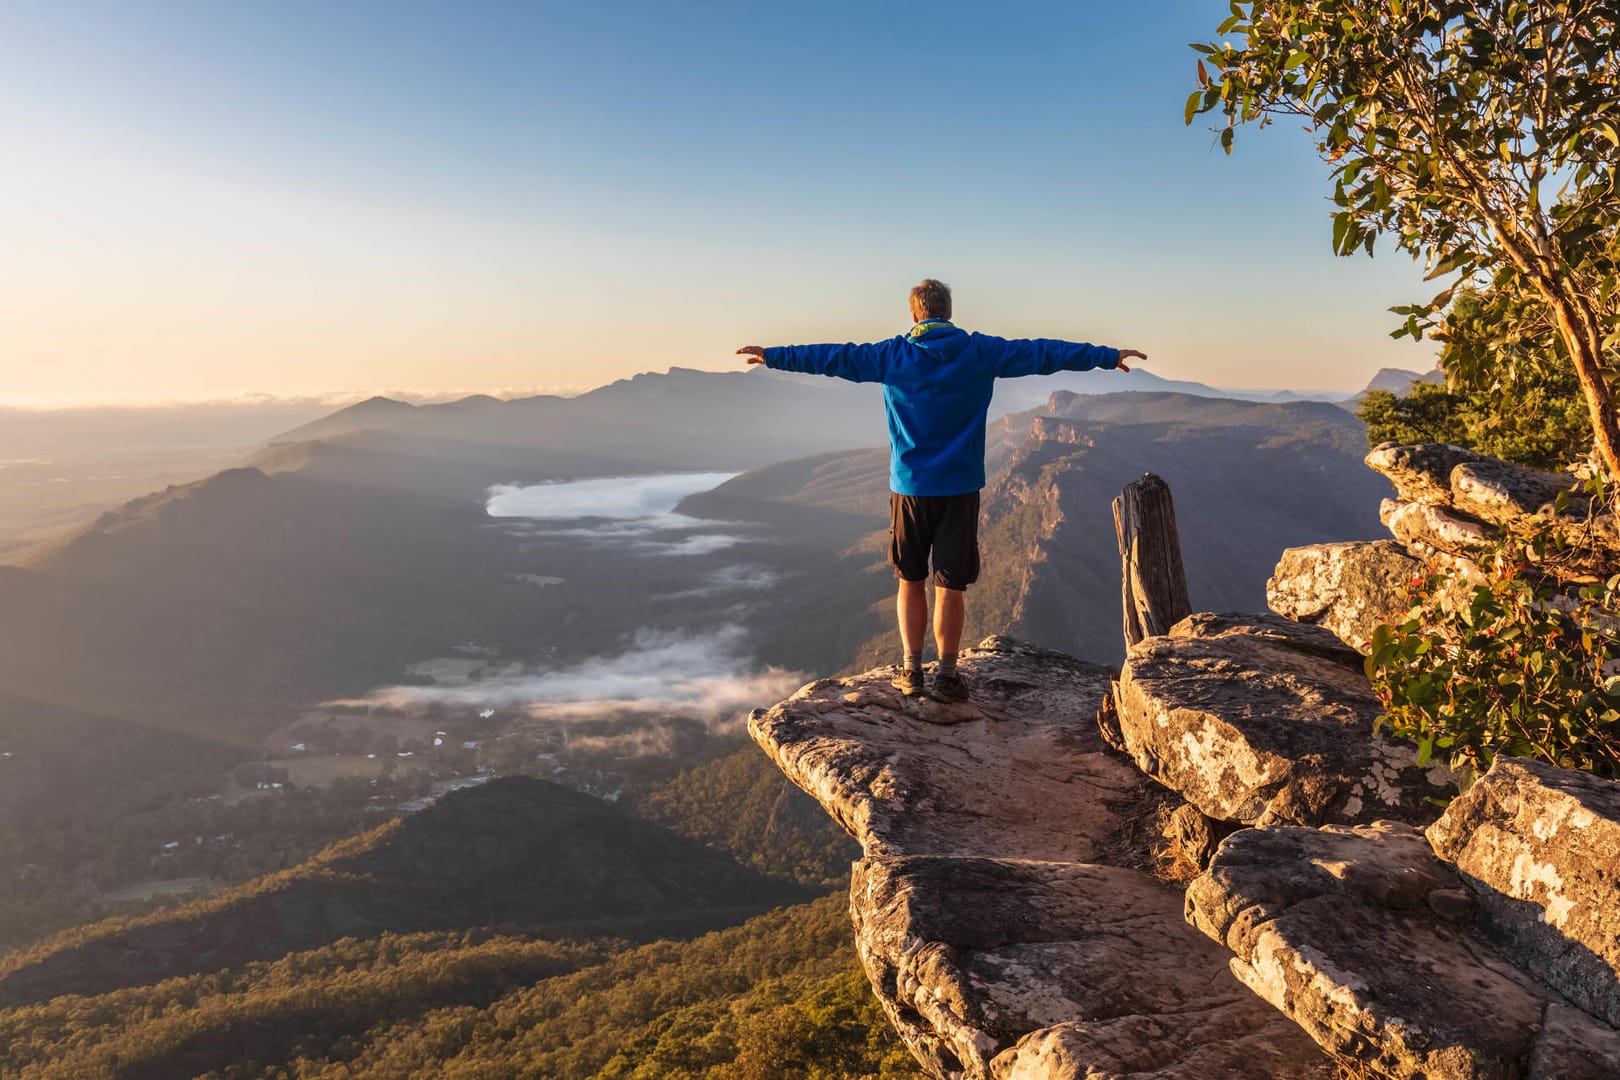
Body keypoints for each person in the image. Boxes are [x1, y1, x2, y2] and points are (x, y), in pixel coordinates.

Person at [738, 278, 1143, 704]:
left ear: (915, 315)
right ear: (948, 312)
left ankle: (912, 673)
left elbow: (834, 358)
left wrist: (773, 357)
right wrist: (1107, 356)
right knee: (951, 585)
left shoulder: (892, 355)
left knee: (910, 581)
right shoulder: (980, 352)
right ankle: (948, 678)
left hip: (910, 489)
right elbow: (1043, 352)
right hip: (961, 488)